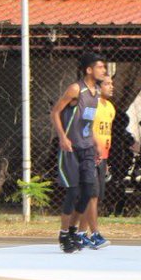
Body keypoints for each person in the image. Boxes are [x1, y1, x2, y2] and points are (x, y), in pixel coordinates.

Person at [49, 53, 106, 253]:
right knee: (73, 191)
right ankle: (64, 233)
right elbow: (55, 112)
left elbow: (87, 122)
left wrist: (96, 143)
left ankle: (73, 231)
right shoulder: (76, 89)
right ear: (89, 70)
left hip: (87, 147)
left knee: (88, 192)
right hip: (71, 148)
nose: (104, 70)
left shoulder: (96, 92)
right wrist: (62, 137)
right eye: (100, 67)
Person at [80, 75, 115, 249]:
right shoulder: (91, 104)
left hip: (102, 157)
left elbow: (105, 134)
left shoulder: (110, 108)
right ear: (99, 87)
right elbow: (84, 127)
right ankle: (94, 235)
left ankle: (80, 234)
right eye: (107, 84)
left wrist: (105, 158)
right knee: (91, 196)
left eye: (111, 83)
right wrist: (92, 148)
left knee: (94, 197)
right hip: (89, 155)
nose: (111, 86)